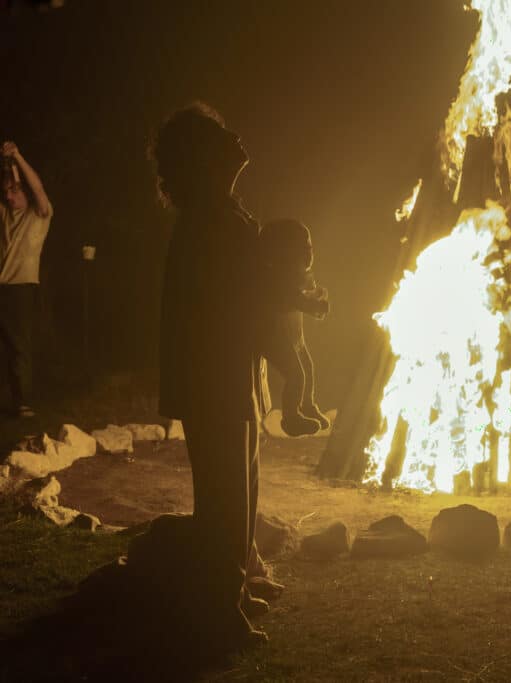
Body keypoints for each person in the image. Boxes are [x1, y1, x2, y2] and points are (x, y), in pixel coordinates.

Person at [150, 103, 269, 652]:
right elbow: (224, 300)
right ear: (205, 158)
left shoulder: (222, 210)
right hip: (213, 376)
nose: (237, 137)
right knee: (224, 495)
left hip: (227, 372)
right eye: (223, 136)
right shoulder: (209, 220)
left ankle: (234, 591)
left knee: (241, 485)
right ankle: (218, 614)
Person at [258, 218, 331, 436]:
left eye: (310, 248)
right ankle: (291, 416)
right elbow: (292, 299)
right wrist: (312, 305)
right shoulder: (279, 278)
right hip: (275, 336)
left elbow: (302, 296)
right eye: (303, 249)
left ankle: (307, 405)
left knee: (307, 368)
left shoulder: (298, 276)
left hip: (294, 335)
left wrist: (314, 297)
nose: (309, 254)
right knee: (296, 374)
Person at [0, 141, 52, 419]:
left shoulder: (38, 214)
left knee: (19, 347)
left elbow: (37, 187)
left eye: (15, 191)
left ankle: (23, 402)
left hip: (21, 289)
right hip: (1, 287)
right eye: (6, 192)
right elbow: (12, 184)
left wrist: (17, 156)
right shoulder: (6, 214)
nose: (9, 196)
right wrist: (8, 166)